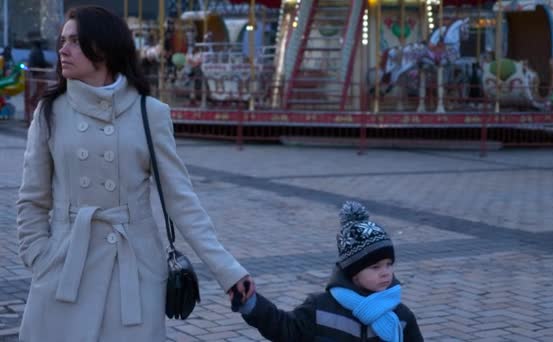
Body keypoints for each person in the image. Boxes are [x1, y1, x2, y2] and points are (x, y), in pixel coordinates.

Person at [16, 6, 254, 341]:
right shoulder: (50, 112)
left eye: (74, 41)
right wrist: (38, 255)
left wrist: (228, 270)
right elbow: (32, 199)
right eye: (62, 41)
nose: (63, 50)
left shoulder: (149, 113)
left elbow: (180, 201)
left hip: (133, 271)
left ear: (103, 48)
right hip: (65, 266)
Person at [235, 201, 424, 341]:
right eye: (375, 267)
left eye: (389, 264)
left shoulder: (401, 316)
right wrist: (252, 303)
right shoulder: (320, 308)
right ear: (354, 272)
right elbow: (286, 329)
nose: (386, 273)